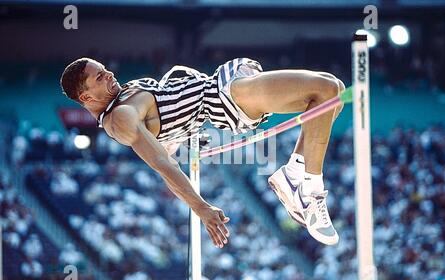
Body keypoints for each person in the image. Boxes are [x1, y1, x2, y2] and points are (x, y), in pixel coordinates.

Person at [60, 57, 345, 248]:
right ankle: (310, 189)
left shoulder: (125, 94)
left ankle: (294, 173)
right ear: (86, 97)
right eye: (100, 77)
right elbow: (162, 163)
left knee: (334, 93)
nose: (109, 73)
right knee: (327, 90)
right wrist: (202, 208)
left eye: (105, 69)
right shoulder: (120, 117)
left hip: (220, 84)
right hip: (225, 97)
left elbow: (168, 128)